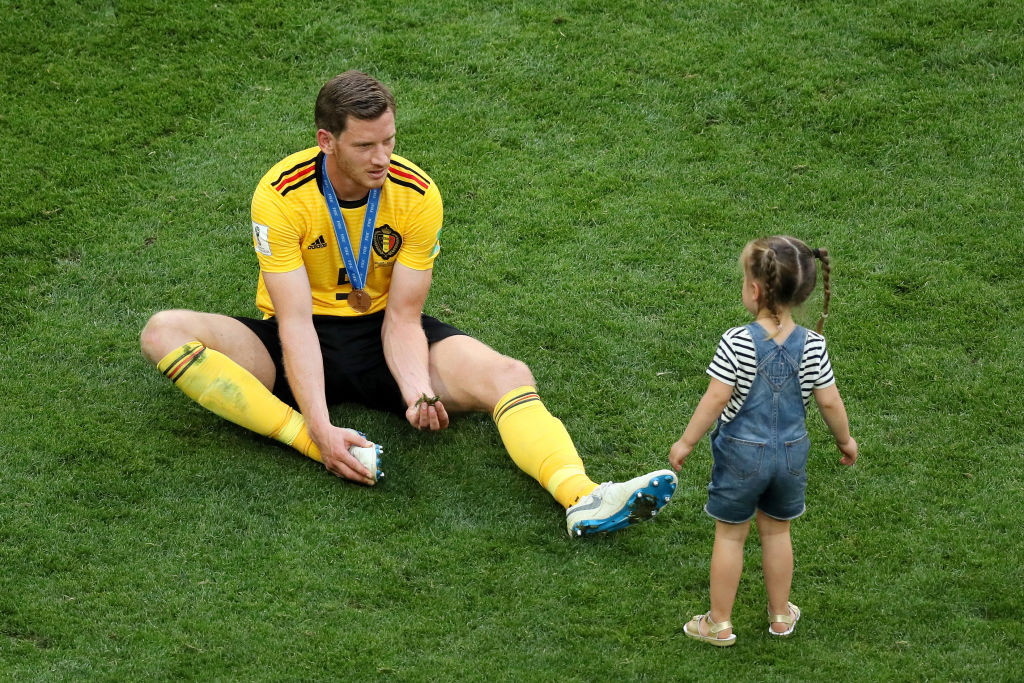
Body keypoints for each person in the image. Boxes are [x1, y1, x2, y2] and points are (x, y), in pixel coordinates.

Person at [140, 70, 677, 537]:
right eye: (365, 146)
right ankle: (304, 439)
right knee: (163, 332)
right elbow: (296, 321)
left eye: (389, 141)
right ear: (326, 140)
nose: (383, 159)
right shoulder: (280, 195)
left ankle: (582, 498)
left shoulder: (417, 193)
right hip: (296, 339)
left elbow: (402, 315)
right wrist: (319, 431)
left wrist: (418, 390)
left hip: (381, 335)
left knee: (509, 374)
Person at [668, 235, 858, 646]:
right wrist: (846, 441)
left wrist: (686, 442)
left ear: (754, 290)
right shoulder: (814, 345)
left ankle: (719, 622)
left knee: (730, 535)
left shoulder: (736, 341)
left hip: (740, 456)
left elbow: (716, 398)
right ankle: (779, 617)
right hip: (790, 456)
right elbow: (829, 402)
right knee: (777, 534)